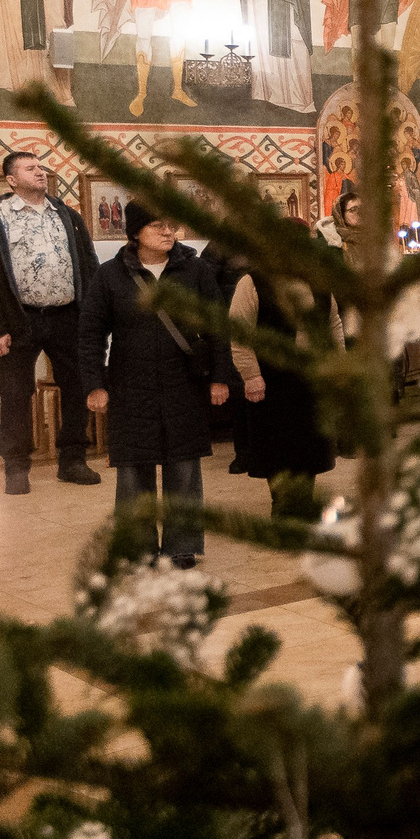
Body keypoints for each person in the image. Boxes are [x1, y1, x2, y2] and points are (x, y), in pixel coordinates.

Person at [81, 202, 229, 568]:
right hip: (131, 384)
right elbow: (91, 333)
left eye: (171, 225)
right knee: (134, 468)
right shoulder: (110, 275)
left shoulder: (194, 270)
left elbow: (217, 327)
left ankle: (182, 545)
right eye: (157, 225)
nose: (168, 232)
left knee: (184, 466)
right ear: (135, 233)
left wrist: (221, 377)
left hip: (184, 383)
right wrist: (95, 383)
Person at [0, 150, 105, 497]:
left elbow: (88, 264)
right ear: (12, 180)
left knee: (77, 386)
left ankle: (72, 460)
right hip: (19, 320)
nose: (40, 172)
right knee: (15, 393)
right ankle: (16, 468)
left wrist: (92, 315)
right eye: (30, 168)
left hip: (67, 316)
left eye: (40, 167)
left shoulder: (67, 215)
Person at [225, 228, 337, 507]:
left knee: (311, 448)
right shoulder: (254, 281)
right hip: (272, 379)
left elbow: (334, 324)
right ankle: (282, 506)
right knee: (277, 449)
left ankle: (304, 504)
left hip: (313, 378)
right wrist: (251, 375)